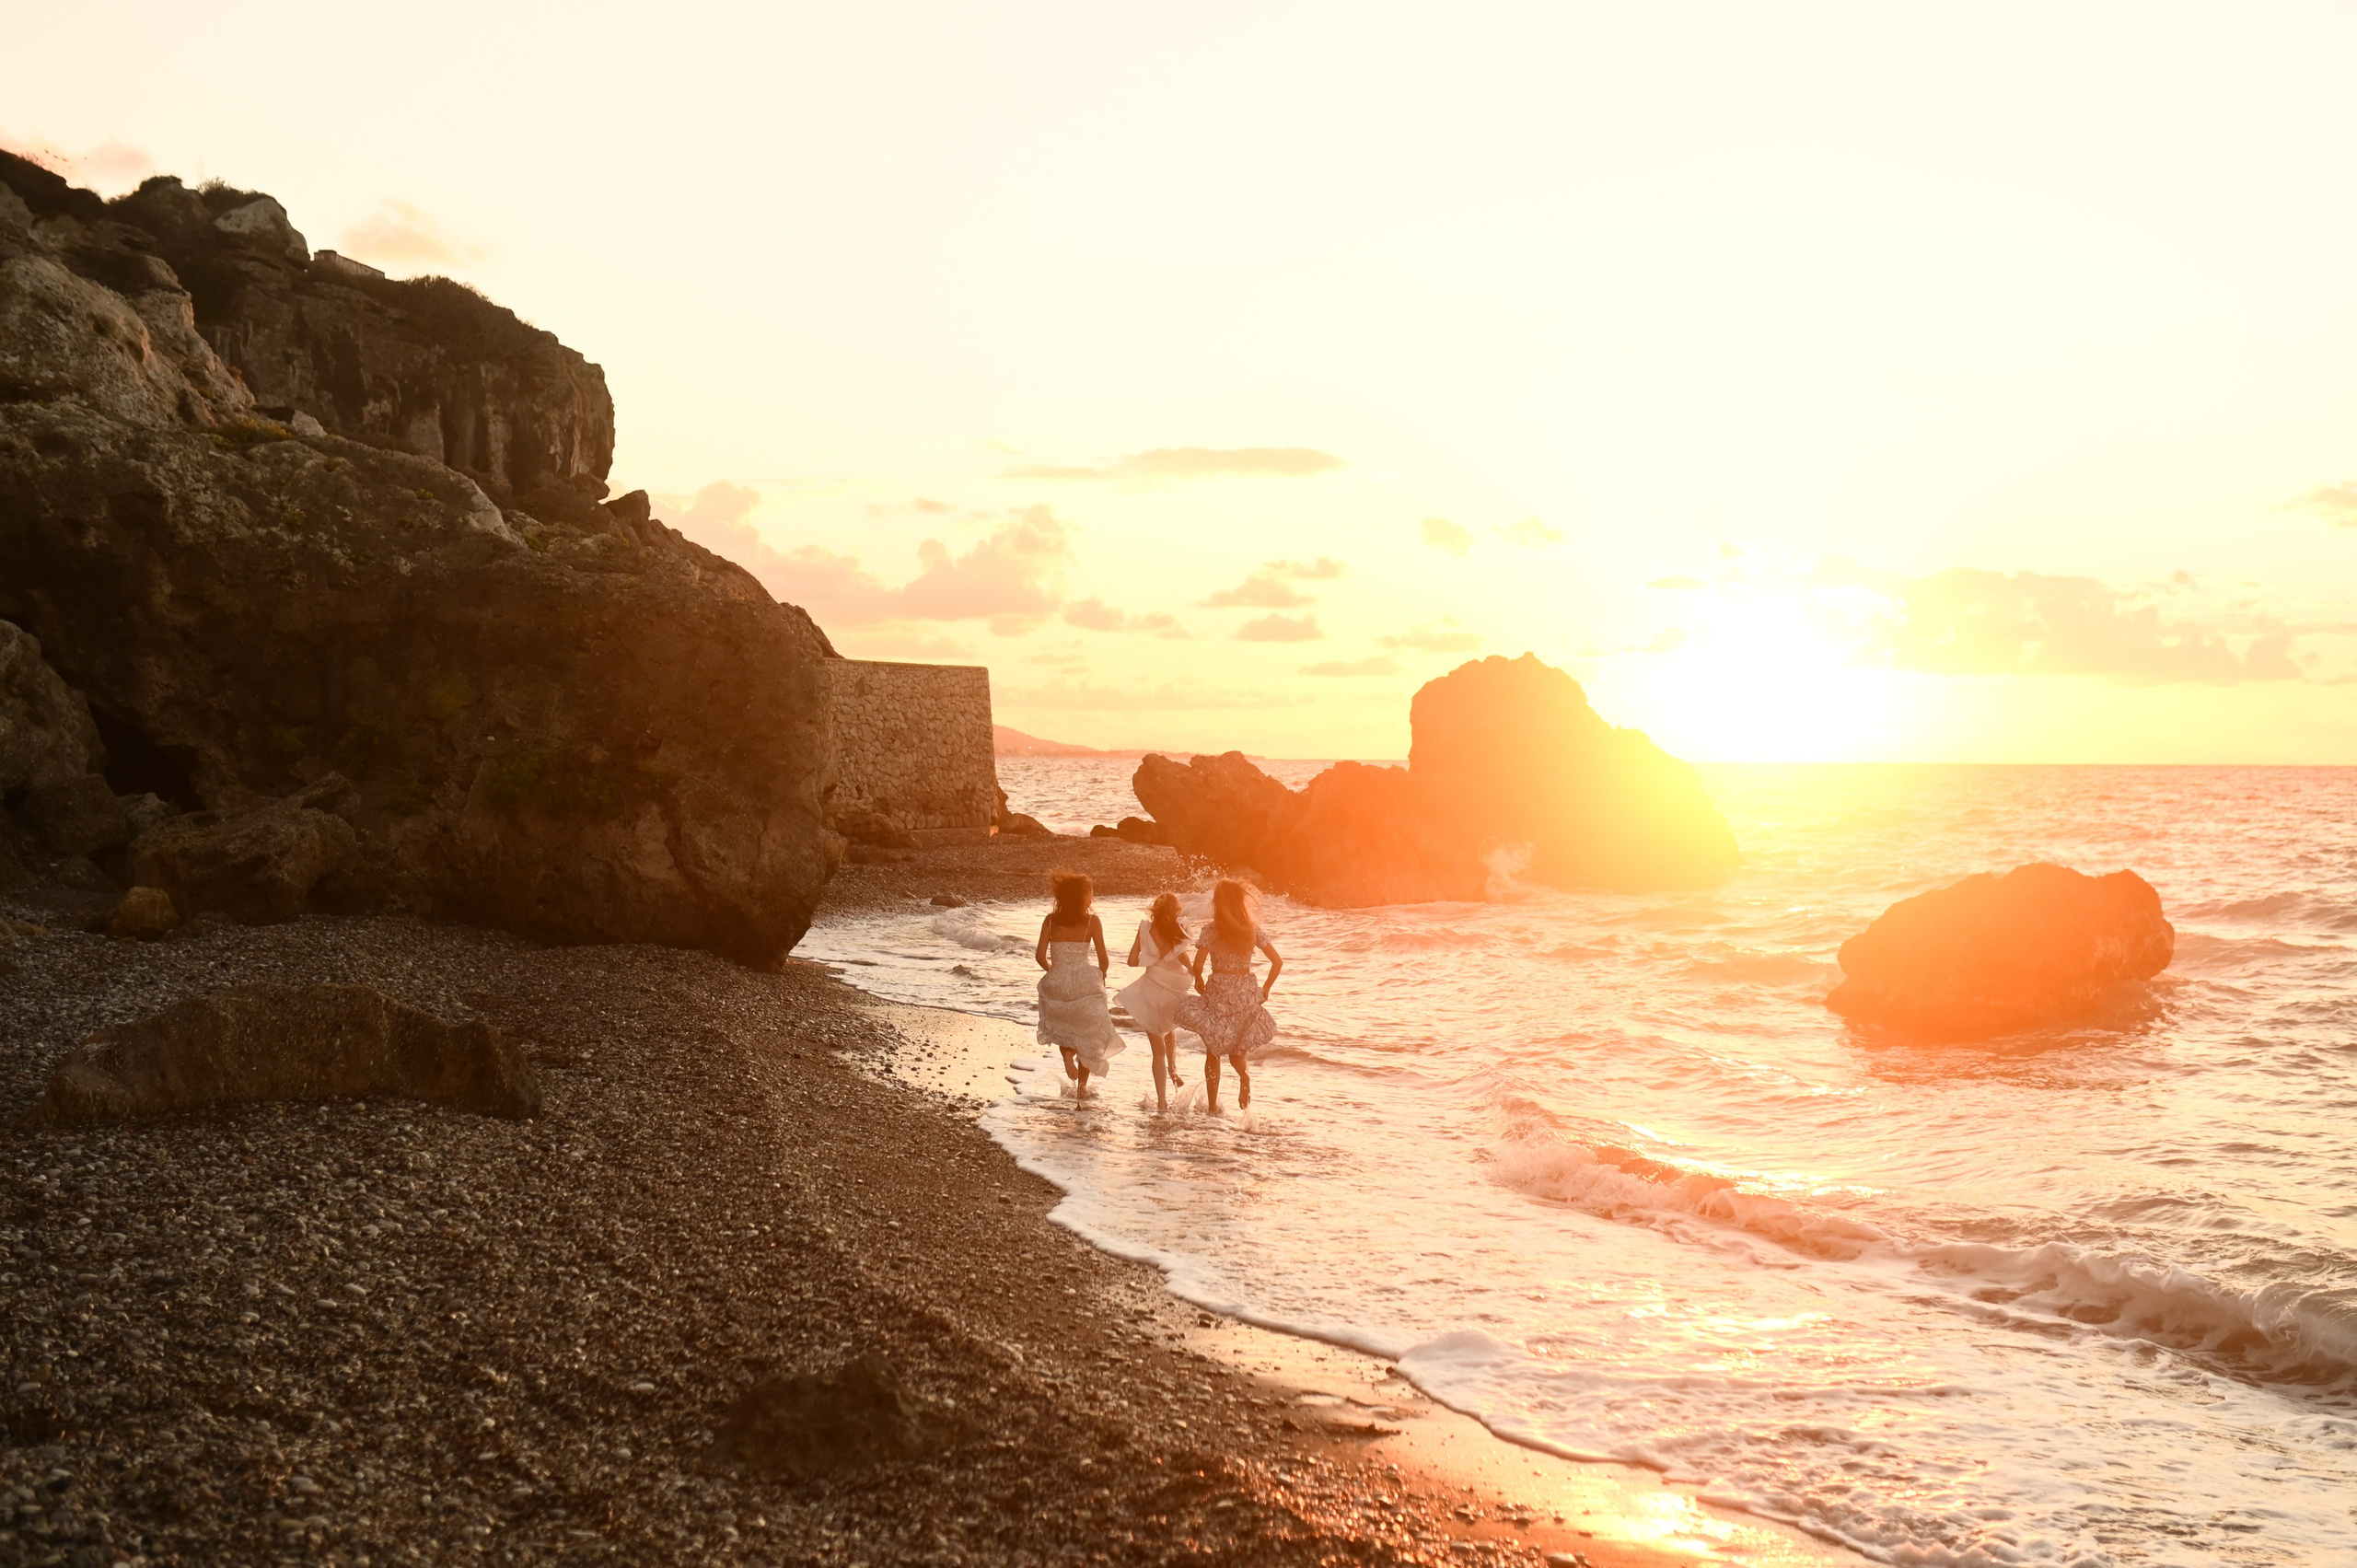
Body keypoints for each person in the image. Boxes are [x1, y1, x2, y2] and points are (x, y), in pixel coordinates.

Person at [1175, 878, 1281, 1113]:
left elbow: (1199, 965)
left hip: (1219, 995)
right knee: (1236, 1052)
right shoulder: (1251, 929)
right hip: (1245, 994)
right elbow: (1277, 962)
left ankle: (1213, 1107)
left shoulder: (1212, 929)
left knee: (1213, 1052)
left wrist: (1200, 981)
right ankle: (1244, 1077)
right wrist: (1266, 989)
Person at [1034, 869, 1123, 1097]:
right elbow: (1104, 960)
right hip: (1084, 979)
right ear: (1083, 896)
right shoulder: (1092, 922)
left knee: (1066, 1026)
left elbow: (1040, 956)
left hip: (1059, 978)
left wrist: (1053, 972)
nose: (1092, 895)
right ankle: (1082, 1087)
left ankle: (1066, 1054)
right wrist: (1099, 979)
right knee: (1088, 1034)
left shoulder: (1051, 920)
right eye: (1090, 892)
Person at [1116, 892, 1193, 1111]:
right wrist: (1196, 972)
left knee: (1157, 1048)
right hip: (1174, 989)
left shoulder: (1145, 929)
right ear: (1174, 911)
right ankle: (1173, 1070)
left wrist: (1149, 957)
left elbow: (1131, 961)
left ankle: (1162, 1102)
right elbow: (1182, 957)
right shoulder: (1179, 930)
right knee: (1169, 1027)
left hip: (1151, 990)